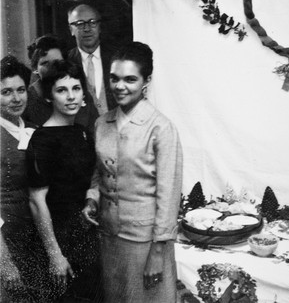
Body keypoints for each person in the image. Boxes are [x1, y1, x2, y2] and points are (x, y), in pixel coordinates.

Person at [82, 41, 183, 302]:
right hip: (109, 237)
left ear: (146, 81)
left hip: (146, 242)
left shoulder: (161, 128)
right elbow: (98, 172)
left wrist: (158, 254)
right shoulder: (102, 123)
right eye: (114, 78)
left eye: (129, 79)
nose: (119, 86)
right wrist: (92, 198)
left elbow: (169, 196)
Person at [26, 60, 102, 302]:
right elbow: (36, 201)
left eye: (76, 88)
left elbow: (90, 181)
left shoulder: (82, 132)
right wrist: (55, 255)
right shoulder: (42, 140)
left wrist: (91, 203)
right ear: (50, 97)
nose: (71, 97)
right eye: (62, 90)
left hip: (86, 238)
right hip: (58, 241)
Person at [0, 56, 46, 302]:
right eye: (6, 92)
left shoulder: (35, 131)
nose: (16, 99)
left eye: (20, 90)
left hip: (34, 245)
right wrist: (5, 264)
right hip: (5, 248)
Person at [24, 34, 99, 134]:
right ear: (35, 69)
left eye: (57, 62)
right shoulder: (27, 100)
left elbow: (96, 132)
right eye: (45, 63)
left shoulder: (82, 95)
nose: (52, 68)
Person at [67, 4, 117, 115]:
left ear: (99, 27)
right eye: (80, 24)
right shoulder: (66, 61)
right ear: (71, 29)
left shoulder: (117, 58)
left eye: (92, 22)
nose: (87, 29)